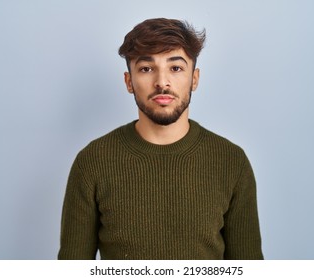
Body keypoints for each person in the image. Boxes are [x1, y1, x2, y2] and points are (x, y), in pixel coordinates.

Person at [58, 18, 263, 260]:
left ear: (194, 79)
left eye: (175, 68)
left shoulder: (231, 161)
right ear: (129, 82)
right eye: (146, 68)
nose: (162, 82)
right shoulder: (92, 162)